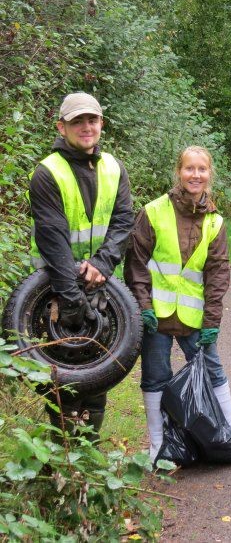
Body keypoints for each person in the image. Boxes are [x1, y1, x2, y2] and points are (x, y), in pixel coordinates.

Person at [125, 146, 231, 460]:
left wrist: (212, 321)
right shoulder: (154, 211)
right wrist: (143, 305)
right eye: (189, 169)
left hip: (195, 317)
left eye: (201, 169)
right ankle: (158, 444)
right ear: (179, 172)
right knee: (155, 376)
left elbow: (216, 274)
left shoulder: (215, 222)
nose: (195, 175)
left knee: (214, 372)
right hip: (155, 315)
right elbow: (136, 263)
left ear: (209, 175)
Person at [28, 92, 134, 438]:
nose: (86, 127)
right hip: (54, 290)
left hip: (101, 286)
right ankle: (63, 458)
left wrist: (103, 262)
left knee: (97, 372)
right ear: (62, 126)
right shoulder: (47, 173)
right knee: (61, 378)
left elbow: (122, 221)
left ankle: (89, 458)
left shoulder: (114, 168)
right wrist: (70, 297)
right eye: (78, 121)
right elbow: (52, 237)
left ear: (101, 124)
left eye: (92, 120)